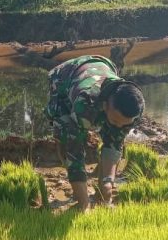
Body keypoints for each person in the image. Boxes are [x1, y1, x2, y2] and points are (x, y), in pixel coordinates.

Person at [45, 54, 144, 212]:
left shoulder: (134, 108)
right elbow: (74, 151)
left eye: (123, 123)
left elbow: (115, 143)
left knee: (113, 134)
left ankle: (101, 188)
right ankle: (82, 197)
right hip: (64, 79)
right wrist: (84, 203)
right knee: (65, 130)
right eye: (115, 120)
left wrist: (108, 180)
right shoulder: (85, 104)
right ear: (105, 105)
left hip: (103, 64)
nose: (119, 126)